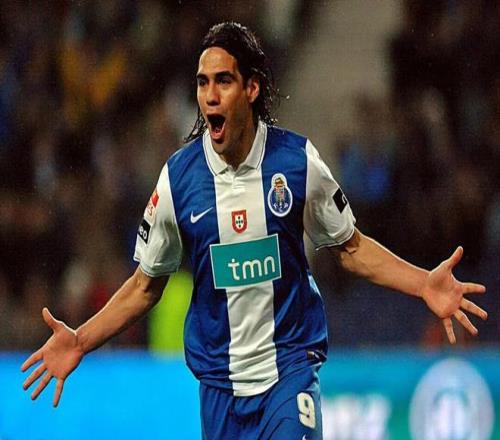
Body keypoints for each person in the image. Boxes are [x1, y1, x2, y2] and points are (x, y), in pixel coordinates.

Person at [21, 22, 487, 440]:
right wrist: (81, 339)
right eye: (202, 82)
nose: (210, 95)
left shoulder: (297, 163)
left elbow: (350, 247)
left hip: (289, 371)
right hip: (220, 390)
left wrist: (422, 283)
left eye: (223, 80)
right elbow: (145, 284)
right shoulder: (178, 180)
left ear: (251, 88)